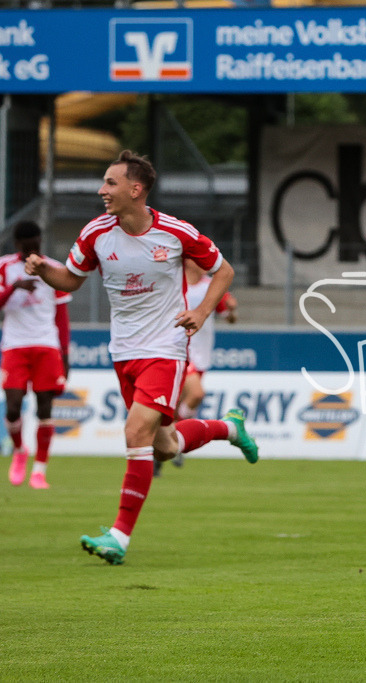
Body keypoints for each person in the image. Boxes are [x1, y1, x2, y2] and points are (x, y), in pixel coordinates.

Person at [26, 150, 259, 565]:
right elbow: (71, 281)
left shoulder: (175, 232)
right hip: (124, 351)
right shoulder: (96, 233)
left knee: (136, 433)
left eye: (110, 183)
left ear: (136, 189)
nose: (102, 191)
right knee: (164, 445)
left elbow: (223, 271)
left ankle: (119, 536)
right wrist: (43, 268)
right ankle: (228, 428)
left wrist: (202, 313)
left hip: (165, 348)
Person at [1, 221, 71, 489]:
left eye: (36, 244)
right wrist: (14, 287)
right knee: (13, 407)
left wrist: (65, 355)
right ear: (18, 245)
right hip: (15, 345)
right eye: (27, 246)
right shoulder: (5, 267)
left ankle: (39, 471)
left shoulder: (54, 269)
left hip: (46, 344)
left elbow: (62, 317)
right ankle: (20, 451)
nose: (33, 250)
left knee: (45, 407)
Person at [154, 259, 238, 476]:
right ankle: (175, 440)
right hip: (178, 351)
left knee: (173, 408)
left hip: (201, 356)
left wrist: (231, 311)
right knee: (197, 394)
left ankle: (162, 451)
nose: (203, 262)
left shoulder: (210, 286)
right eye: (196, 258)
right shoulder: (174, 284)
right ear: (187, 261)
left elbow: (229, 319)